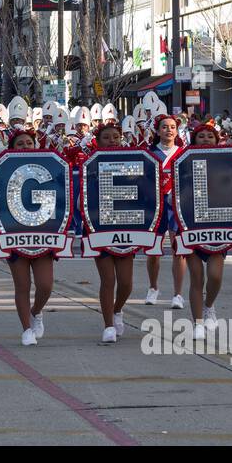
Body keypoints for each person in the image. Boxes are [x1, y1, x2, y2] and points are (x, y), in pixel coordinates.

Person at [3, 129, 55, 346]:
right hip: (15, 232)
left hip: (42, 233)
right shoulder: (3, 170)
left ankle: (36, 311)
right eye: (20, 144)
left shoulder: (49, 167)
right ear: (12, 148)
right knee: (22, 285)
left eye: (29, 143)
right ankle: (26, 329)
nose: (25, 147)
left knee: (45, 285)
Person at [88, 124, 135, 343]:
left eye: (116, 137)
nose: (112, 140)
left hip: (126, 225)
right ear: (97, 141)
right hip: (99, 226)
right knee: (108, 280)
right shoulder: (89, 163)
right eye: (106, 137)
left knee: (126, 283)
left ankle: (117, 310)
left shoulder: (133, 160)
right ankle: (108, 325)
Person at [185, 123, 227, 341]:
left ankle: (209, 304)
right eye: (200, 136)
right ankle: (198, 322)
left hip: (218, 224)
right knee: (196, 277)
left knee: (215, 276)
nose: (205, 139)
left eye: (209, 136)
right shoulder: (183, 162)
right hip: (191, 224)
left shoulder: (228, 160)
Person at [145, 114, 186, 309]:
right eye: (164, 127)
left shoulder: (184, 153)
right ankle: (153, 287)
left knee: (179, 248)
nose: (168, 130)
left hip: (176, 204)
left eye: (172, 127)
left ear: (177, 130)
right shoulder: (149, 153)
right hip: (155, 203)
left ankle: (178, 294)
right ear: (157, 130)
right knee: (153, 250)